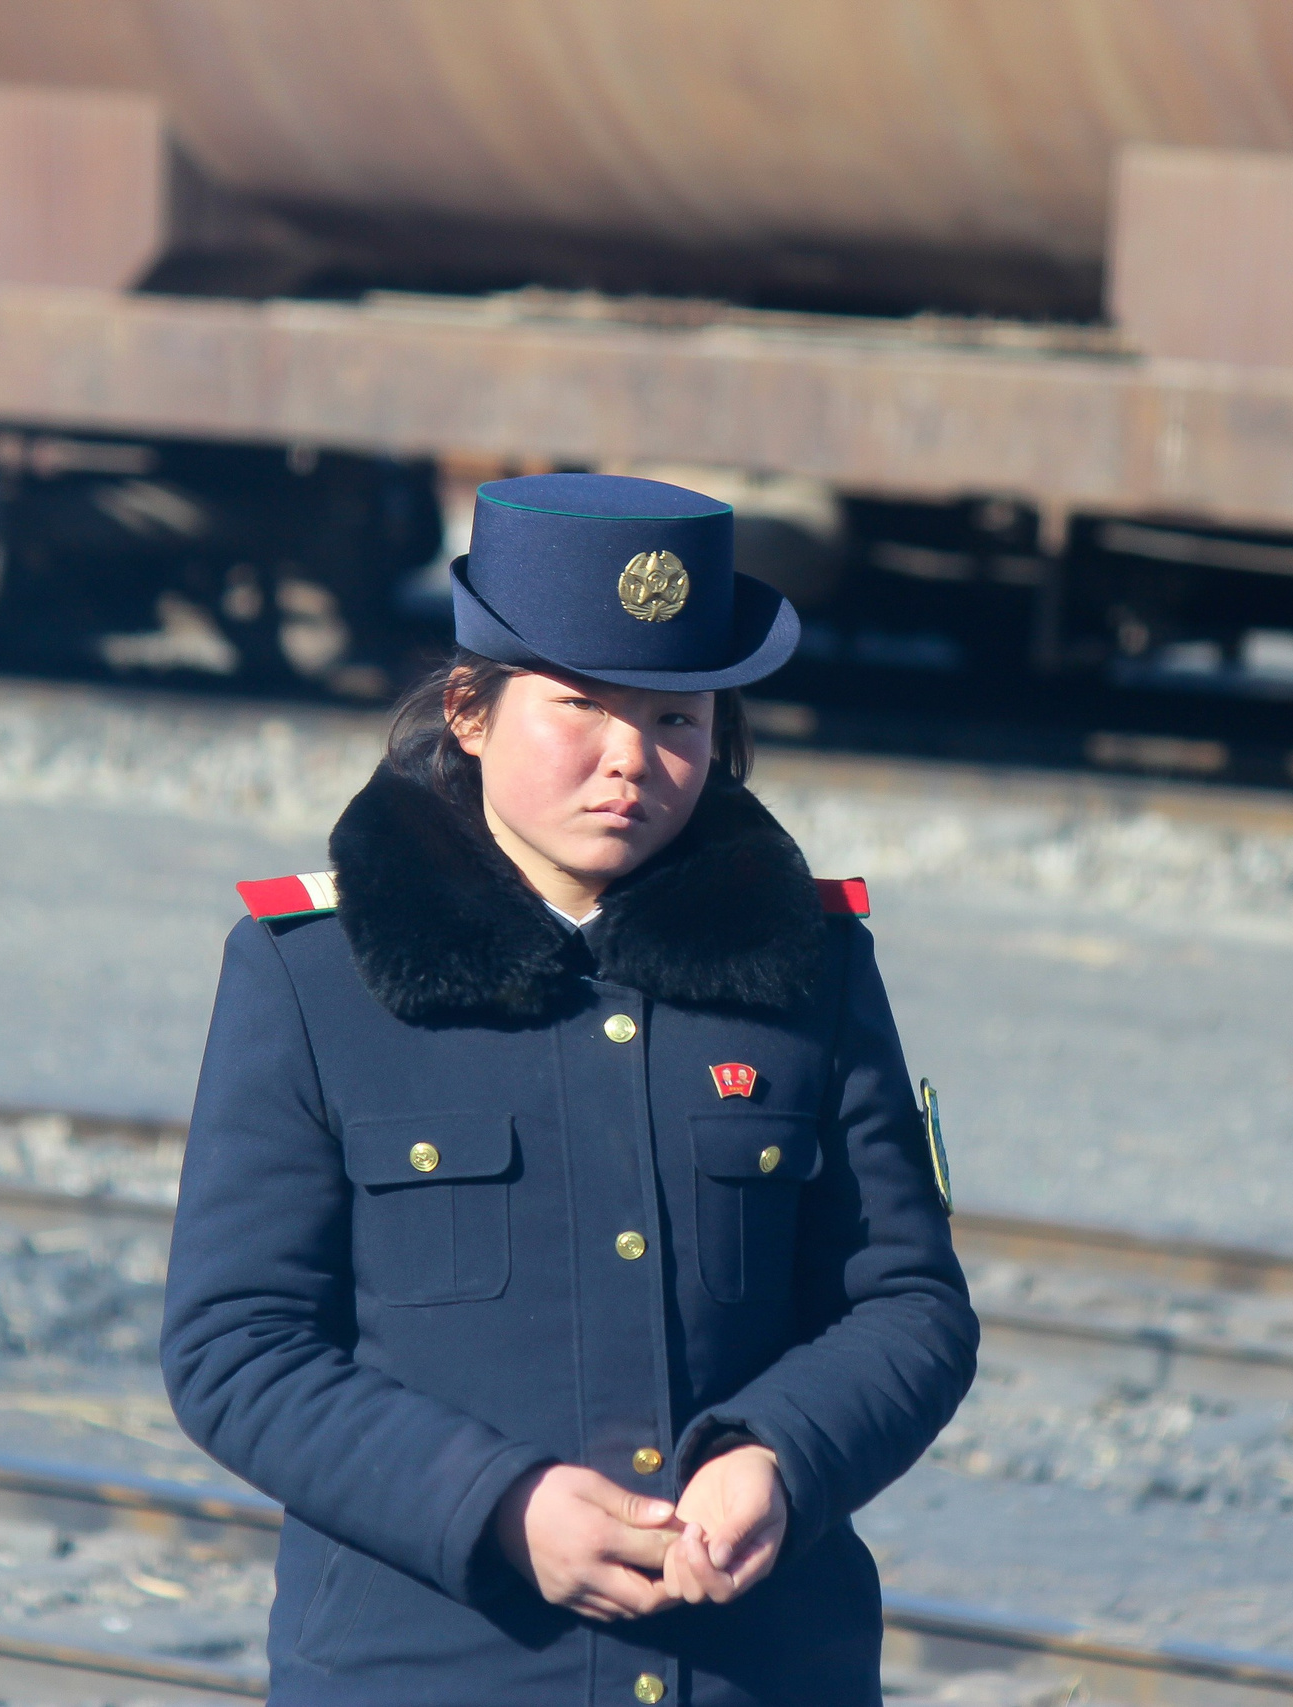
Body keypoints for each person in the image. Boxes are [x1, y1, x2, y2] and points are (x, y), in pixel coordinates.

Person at [161, 472, 977, 1706]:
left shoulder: (807, 966)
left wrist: (779, 1457)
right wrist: (496, 1507)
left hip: (752, 1669)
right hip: (432, 1669)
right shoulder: (310, 976)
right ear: (469, 711)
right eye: (580, 708)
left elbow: (909, 1305)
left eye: (675, 720)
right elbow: (237, 1346)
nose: (628, 761)